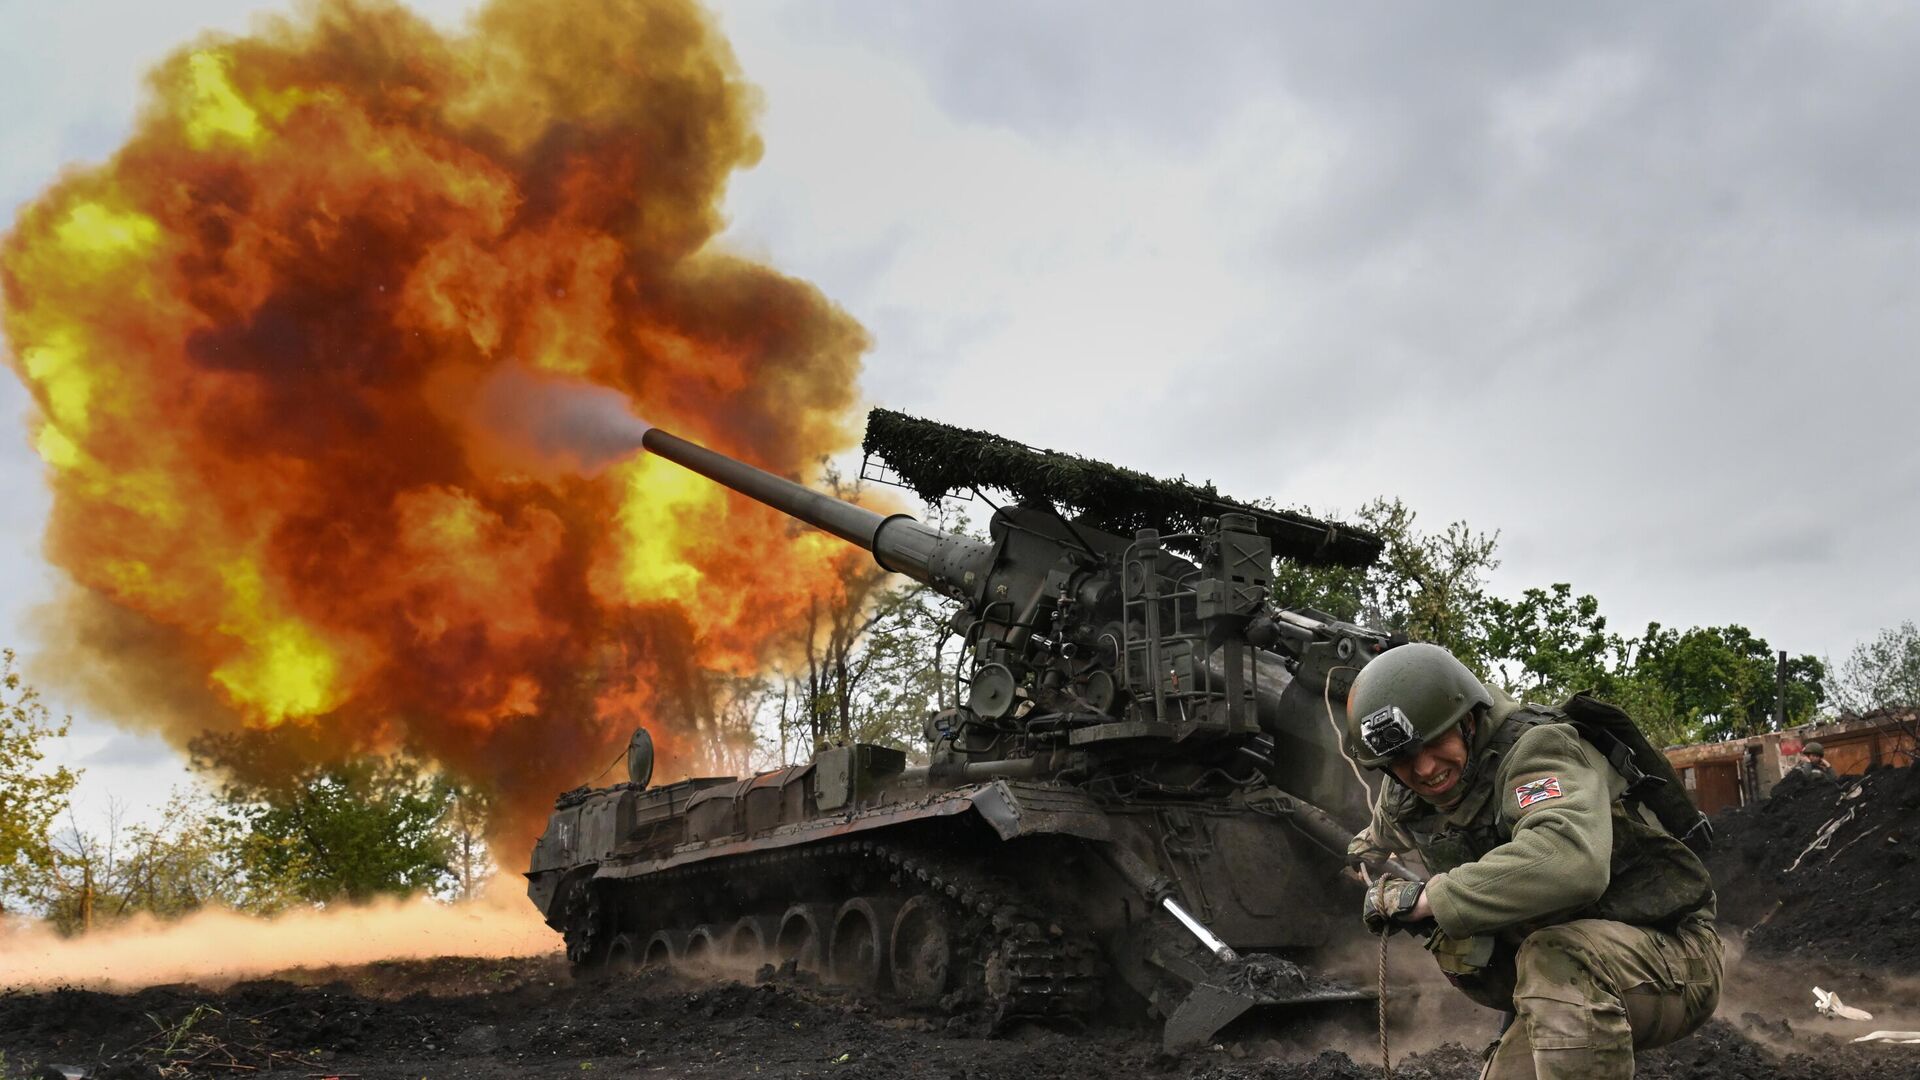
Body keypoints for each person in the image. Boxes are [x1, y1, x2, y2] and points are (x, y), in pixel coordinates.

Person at [1344, 642, 1721, 1080]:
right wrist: (1362, 857)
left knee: (1554, 956)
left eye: (1435, 742)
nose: (1425, 769)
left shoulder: (1538, 750)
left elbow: (1571, 860)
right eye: (1403, 759)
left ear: (1467, 720)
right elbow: (1379, 834)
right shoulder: (1406, 790)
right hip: (1563, 975)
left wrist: (1428, 899)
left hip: (1670, 954)